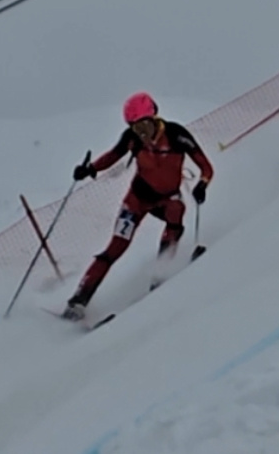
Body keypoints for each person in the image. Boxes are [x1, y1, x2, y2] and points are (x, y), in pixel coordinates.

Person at [63, 92, 214, 318]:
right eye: (135, 127)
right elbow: (113, 156)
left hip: (167, 198)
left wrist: (202, 184)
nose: (141, 132)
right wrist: (90, 169)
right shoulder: (132, 139)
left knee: (176, 212)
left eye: (144, 125)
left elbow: (206, 167)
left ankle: (161, 273)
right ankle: (78, 301)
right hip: (137, 200)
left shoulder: (176, 135)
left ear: (154, 119)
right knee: (116, 246)